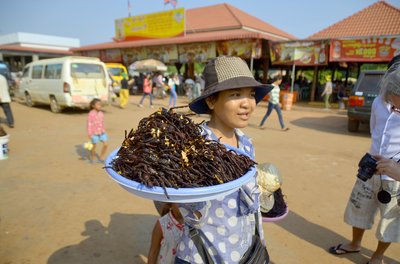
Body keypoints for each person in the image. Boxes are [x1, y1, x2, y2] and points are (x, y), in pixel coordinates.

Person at [174, 56, 273, 263]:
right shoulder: (193, 145)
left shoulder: (246, 143)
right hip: (204, 254)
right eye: (236, 94)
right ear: (211, 101)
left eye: (251, 94)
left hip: (243, 251)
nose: (247, 104)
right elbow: (175, 201)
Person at [329, 58, 400, 264]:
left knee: (390, 219)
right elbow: (374, 130)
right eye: (394, 105)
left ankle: (378, 256)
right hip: (370, 167)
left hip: (395, 176)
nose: (395, 111)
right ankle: (355, 243)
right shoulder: (378, 102)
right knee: (358, 207)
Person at [87, 98, 108, 163]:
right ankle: (93, 158)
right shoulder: (91, 114)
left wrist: (103, 129)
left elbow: (102, 122)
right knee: (94, 146)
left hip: (102, 132)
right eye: (98, 104)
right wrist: (90, 134)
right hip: (94, 134)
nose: (100, 106)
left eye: (100, 104)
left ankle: (101, 157)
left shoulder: (101, 113)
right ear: (93, 106)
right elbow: (89, 124)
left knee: (106, 145)